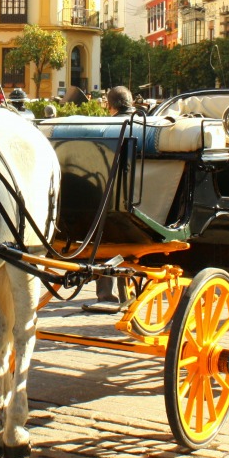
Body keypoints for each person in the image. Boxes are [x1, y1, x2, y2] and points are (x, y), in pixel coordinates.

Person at [83, 86, 134, 314]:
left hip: (109, 199)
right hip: (139, 200)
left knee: (104, 235)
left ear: (110, 106)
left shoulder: (106, 127)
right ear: (130, 102)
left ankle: (105, 293)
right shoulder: (147, 123)